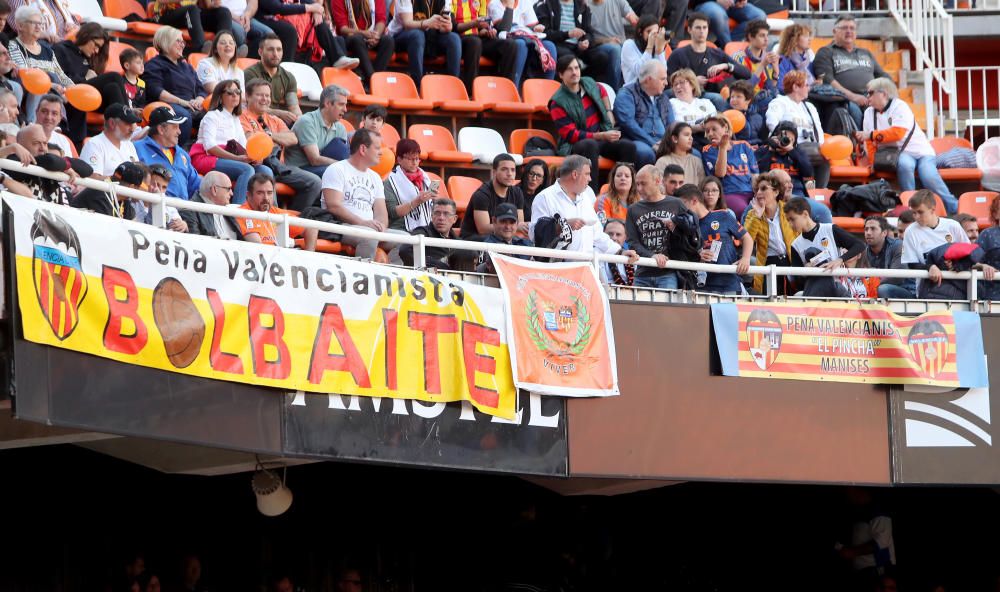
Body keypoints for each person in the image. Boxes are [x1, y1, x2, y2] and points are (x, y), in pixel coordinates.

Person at [859, 78, 957, 215]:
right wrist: (873, 161)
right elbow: (868, 142)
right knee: (905, 166)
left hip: (922, 151)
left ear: (884, 94)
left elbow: (897, 133)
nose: (867, 96)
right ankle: (910, 207)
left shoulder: (900, 106)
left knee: (928, 175)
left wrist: (871, 134)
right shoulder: (868, 113)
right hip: (901, 153)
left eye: (870, 93)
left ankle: (953, 207)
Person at [549, 55, 637, 190]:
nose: (574, 72)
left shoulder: (588, 82)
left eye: (576, 68)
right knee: (589, 145)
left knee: (628, 146)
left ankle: (623, 192)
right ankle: (591, 194)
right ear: (561, 75)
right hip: (574, 145)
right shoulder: (557, 102)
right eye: (569, 69)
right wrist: (601, 135)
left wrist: (608, 110)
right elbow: (571, 135)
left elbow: (601, 90)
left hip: (600, 138)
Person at [530, 154, 640, 261]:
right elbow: (534, 234)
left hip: (584, 269)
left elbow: (598, 235)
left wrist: (620, 252)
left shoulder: (586, 197)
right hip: (555, 270)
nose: (590, 179)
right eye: (587, 174)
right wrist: (562, 225)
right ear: (574, 174)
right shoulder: (544, 197)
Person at [321, 129, 407, 262]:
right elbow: (334, 206)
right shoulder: (336, 169)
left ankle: (390, 276)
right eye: (377, 148)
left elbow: (381, 212)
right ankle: (363, 280)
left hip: (368, 229)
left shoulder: (376, 177)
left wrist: (381, 227)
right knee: (369, 236)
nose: (381, 153)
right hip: (339, 226)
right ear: (363, 149)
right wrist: (363, 223)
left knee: (406, 239)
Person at [240, 78, 322, 211]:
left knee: (314, 182)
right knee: (268, 176)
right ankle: (274, 220)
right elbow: (250, 138)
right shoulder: (241, 117)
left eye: (267, 96)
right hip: (258, 165)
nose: (264, 99)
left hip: (281, 167)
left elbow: (292, 139)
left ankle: (294, 221)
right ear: (248, 97)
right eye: (260, 95)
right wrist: (275, 138)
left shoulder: (274, 119)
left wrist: (269, 136)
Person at [195, 79, 270, 204]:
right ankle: (237, 211)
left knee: (265, 171)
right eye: (230, 92)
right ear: (220, 96)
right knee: (247, 170)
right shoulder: (212, 116)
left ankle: (271, 212)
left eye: (237, 92)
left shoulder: (235, 119)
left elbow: (244, 145)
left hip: (228, 159)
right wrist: (238, 159)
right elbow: (210, 147)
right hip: (206, 157)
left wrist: (255, 157)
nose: (235, 95)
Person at [52, 22, 130, 144]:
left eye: (100, 48)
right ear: (86, 36)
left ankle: (120, 132)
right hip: (69, 92)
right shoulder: (61, 49)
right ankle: (128, 120)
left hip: (88, 97)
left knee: (112, 87)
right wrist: (86, 79)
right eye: (96, 45)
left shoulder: (87, 58)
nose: (96, 50)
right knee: (114, 77)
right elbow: (60, 77)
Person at [814, 15, 889, 128]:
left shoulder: (865, 53)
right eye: (844, 28)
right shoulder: (826, 52)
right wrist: (853, 97)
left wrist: (886, 92)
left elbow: (882, 75)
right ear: (834, 31)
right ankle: (861, 143)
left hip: (870, 96)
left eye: (852, 28)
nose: (849, 31)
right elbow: (828, 80)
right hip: (844, 99)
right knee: (854, 110)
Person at [676, 183, 750, 294]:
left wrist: (745, 258)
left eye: (683, 204)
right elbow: (683, 255)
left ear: (694, 201)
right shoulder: (685, 226)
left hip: (728, 284)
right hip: (701, 287)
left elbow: (747, 238)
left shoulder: (723, 216)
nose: (680, 210)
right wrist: (698, 256)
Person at [900, 189, 976, 297]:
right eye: (914, 212)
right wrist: (930, 267)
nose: (916, 217)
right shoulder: (910, 231)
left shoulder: (953, 226)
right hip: (928, 290)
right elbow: (911, 263)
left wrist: (955, 264)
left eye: (920, 212)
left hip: (957, 287)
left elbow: (969, 253)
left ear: (932, 210)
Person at [666, 13, 749, 111]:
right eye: (698, 28)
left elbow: (747, 74)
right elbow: (667, 82)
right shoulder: (678, 54)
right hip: (684, 95)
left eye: (704, 28)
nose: (701, 31)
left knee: (720, 99)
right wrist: (691, 83)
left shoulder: (717, 53)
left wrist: (726, 66)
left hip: (708, 96)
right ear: (689, 30)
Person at [784, 196, 865, 297]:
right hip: (814, 289)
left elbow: (860, 245)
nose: (790, 224)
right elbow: (798, 281)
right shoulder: (795, 245)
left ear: (805, 214)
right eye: (788, 220)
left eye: (792, 219)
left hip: (837, 285)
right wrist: (806, 269)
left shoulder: (830, 229)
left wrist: (839, 260)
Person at [625, 164, 690, 289]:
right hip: (642, 272)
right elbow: (633, 242)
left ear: (657, 181)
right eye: (637, 184)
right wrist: (652, 256)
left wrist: (675, 228)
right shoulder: (633, 210)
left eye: (643, 183)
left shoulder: (676, 204)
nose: (639, 188)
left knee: (666, 309)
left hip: (668, 272)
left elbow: (690, 233)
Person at [765, 70, 829, 188]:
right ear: (795, 87)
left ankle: (818, 191)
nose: (808, 88)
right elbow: (772, 122)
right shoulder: (780, 102)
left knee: (825, 156)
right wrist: (785, 142)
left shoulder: (810, 107)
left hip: (811, 147)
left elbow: (818, 131)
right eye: (806, 85)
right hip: (791, 146)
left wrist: (822, 148)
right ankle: (808, 186)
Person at [8, 5, 72, 122]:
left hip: (50, 88)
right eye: (34, 23)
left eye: (41, 24)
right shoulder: (14, 45)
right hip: (29, 87)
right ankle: (33, 122)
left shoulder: (47, 49)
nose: (39, 27)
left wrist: (72, 89)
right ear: (20, 25)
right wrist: (52, 86)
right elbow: (25, 74)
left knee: (53, 76)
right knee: (39, 81)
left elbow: (61, 75)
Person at [144, 26, 207, 143]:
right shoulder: (154, 65)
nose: (182, 45)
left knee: (212, 117)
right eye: (178, 41)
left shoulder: (186, 66)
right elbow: (156, 90)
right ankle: (179, 151)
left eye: (183, 42)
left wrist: (199, 99)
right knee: (183, 116)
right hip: (167, 105)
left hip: (190, 106)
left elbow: (200, 88)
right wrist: (182, 102)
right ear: (165, 42)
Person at [535, 0, 612, 86]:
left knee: (602, 57)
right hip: (558, 44)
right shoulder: (547, 4)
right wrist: (567, 34)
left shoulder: (582, 5)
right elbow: (545, 33)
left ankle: (586, 84)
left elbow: (589, 32)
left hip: (579, 46)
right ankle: (572, 87)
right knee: (570, 59)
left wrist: (586, 41)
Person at [744, 172, 797, 294]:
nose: (758, 193)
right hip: (768, 264)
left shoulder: (789, 209)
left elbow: (800, 236)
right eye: (757, 190)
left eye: (763, 189)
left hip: (791, 261)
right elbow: (747, 239)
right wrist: (757, 216)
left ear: (776, 192)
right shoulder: (752, 214)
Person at [613, 60, 673, 167]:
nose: (666, 83)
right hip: (637, 139)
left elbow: (671, 125)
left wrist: (668, 142)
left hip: (662, 141)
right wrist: (652, 143)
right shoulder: (626, 94)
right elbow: (629, 125)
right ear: (649, 79)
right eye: (662, 79)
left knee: (694, 154)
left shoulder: (663, 97)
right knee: (645, 153)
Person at [388, 0, 462, 86]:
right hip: (401, 36)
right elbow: (407, 24)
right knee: (417, 35)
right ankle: (418, 85)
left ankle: (453, 86)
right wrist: (427, 23)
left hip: (430, 38)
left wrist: (447, 27)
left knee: (454, 38)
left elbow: (443, 27)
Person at [135, 106, 201, 200]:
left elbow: (196, 185)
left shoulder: (182, 154)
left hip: (184, 210)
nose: (179, 132)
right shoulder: (137, 149)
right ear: (161, 129)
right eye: (175, 127)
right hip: (156, 207)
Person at [449, 0, 521, 87]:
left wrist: (487, 31)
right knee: (474, 42)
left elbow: (482, 26)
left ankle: (505, 89)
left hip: (478, 37)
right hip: (458, 38)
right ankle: (470, 91)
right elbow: (452, 27)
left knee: (510, 45)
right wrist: (473, 24)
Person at [8, 123, 86, 203]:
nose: (43, 148)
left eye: (45, 143)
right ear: (21, 146)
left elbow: (86, 169)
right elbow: (51, 161)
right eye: (36, 143)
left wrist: (64, 164)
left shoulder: (50, 165)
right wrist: (65, 166)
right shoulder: (12, 161)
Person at [236, 172, 317, 249]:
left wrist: (310, 256)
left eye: (269, 193)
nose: (266, 198)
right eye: (260, 193)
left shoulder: (275, 212)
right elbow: (257, 246)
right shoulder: (243, 213)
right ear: (249, 195)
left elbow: (311, 228)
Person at [488, 0, 557, 86]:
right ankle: (514, 87)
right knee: (520, 44)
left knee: (549, 46)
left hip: (527, 36)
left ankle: (547, 89)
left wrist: (536, 28)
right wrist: (510, 6)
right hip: (506, 39)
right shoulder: (494, 4)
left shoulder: (524, 2)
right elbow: (504, 28)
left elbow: (531, 26)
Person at [286, 84, 350, 178]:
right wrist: (342, 166)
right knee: (336, 174)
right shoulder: (307, 122)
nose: (345, 109)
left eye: (345, 105)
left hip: (323, 167)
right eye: (341, 104)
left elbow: (343, 157)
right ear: (327, 103)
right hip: (299, 169)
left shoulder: (340, 128)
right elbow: (314, 160)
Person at [461, 153, 527, 238]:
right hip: (476, 240)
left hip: (503, 237)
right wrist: (515, 227)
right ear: (494, 172)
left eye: (513, 170)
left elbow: (519, 223)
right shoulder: (482, 195)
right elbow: (483, 229)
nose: (509, 174)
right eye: (504, 169)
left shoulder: (517, 192)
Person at [701, 113, 758, 213]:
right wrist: (722, 148)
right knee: (746, 212)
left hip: (750, 191)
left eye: (714, 129)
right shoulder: (707, 151)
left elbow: (755, 174)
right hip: (729, 193)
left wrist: (759, 194)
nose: (710, 134)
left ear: (725, 128)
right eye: (707, 131)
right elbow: (720, 173)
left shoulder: (743, 145)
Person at [330, 0, 395, 85]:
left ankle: (371, 82)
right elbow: (343, 28)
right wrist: (363, 33)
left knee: (388, 41)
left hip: (371, 34)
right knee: (357, 39)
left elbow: (381, 20)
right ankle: (373, 81)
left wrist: (376, 35)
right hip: (350, 37)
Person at [244, 34, 303, 125]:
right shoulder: (250, 74)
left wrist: (300, 118)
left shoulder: (288, 77)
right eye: (271, 49)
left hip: (276, 122)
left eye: (279, 49)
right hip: (254, 120)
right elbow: (253, 107)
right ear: (260, 52)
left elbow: (294, 107)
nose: (275, 54)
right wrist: (279, 113)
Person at [384, 138, 437, 232]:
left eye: (417, 159)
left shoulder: (425, 179)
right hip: (401, 229)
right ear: (399, 159)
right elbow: (393, 212)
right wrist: (416, 201)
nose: (414, 162)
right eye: (410, 159)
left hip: (426, 228)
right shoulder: (390, 182)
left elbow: (432, 209)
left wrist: (434, 199)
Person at [80, 103, 141, 180]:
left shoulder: (129, 145)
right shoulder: (94, 144)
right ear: (112, 123)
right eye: (128, 124)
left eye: (132, 124)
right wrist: (122, 182)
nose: (132, 129)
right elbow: (92, 178)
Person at [584, 0, 638, 88]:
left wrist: (634, 20)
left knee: (630, 46)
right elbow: (587, 38)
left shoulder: (617, 1)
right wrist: (607, 40)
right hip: (598, 45)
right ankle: (614, 90)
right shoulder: (586, 6)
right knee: (615, 49)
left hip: (621, 43)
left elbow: (631, 16)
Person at [147, 0, 234, 53]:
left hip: (190, 14)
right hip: (165, 15)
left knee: (224, 12)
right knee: (192, 9)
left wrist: (215, 4)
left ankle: (225, 47)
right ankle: (200, 48)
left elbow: (208, 6)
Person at [755, 121, 814, 197]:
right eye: (783, 138)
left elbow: (808, 173)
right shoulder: (764, 150)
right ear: (775, 137)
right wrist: (770, 151)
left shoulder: (798, 152)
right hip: (773, 192)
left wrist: (792, 151)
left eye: (790, 140)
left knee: (822, 209)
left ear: (795, 142)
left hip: (795, 191)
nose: (786, 142)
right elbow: (760, 174)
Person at [72, 161, 145, 221]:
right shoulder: (100, 193)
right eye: (138, 187)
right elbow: (107, 230)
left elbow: (134, 224)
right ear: (132, 187)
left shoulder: (122, 199)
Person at [863, 215, 914, 299]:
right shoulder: (863, 250)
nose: (868, 232)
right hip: (874, 291)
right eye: (866, 229)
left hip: (905, 290)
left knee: (883, 289)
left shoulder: (898, 246)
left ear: (884, 233)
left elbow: (897, 277)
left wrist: (872, 284)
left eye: (873, 229)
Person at [399, 198, 460, 268]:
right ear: (432, 216)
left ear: (454, 219)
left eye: (446, 214)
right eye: (437, 213)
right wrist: (439, 266)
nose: (441, 218)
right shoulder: (422, 232)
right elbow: (405, 250)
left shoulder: (458, 241)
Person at [182, 170, 243, 239]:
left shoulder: (229, 211)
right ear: (214, 189)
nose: (232, 193)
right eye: (228, 189)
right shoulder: (189, 210)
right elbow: (196, 243)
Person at [478, 202, 535, 272]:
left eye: (512, 222)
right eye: (503, 222)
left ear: (517, 223)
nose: (508, 227)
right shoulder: (485, 245)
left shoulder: (526, 243)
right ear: (494, 221)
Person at [731, 19, 778, 102]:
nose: (766, 39)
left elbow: (771, 91)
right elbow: (743, 91)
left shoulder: (768, 58)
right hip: (746, 102)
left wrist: (776, 72)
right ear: (750, 37)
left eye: (767, 35)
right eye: (762, 36)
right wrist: (762, 65)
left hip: (764, 101)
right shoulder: (738, 58)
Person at [667, 69, 717, 146]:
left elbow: (716, 121)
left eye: (681, 82)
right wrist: (695, 127)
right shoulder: (671, 103)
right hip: (688, 141)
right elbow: (675, 128)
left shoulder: (706, 102)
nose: (678, 86)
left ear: (692, 84)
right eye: (675, 84)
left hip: (710, 137)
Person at [691, 0, 765, 48]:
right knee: (718, 15)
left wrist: (742, 1)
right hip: (707, 3)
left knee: (759, 16)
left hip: (733, 4)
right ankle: (730, 53)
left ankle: (725, 46)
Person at [621, 15, 668, 87]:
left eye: (656, 32)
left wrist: (659, 51)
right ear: (640, 31)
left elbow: (663, 75)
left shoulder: (657, 45)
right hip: (634, 91)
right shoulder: (629, 44)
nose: (652, 36)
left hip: (654, 91)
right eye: (649, 32)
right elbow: (640, 72)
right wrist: (650, 46)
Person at [974, 195, 1000, 300]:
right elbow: (970, 262)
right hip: (993, 296)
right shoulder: (987, 234)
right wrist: (983, 266)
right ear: (995, 214)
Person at [776, 22, 815, 92]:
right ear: (795, 39)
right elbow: (780, 87)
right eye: (806, 36)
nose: (809, 39)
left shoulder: (809, 61)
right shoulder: (781, 61)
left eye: (809, 36)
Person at [726, 81, 764, 148]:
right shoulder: (726, 116)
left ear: (748, 100)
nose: (734, 99)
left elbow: (763, 138)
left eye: (738, 97)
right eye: (732, 97)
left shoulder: (758, 117)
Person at [603, 218, 634, 285]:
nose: (614, 238)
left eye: (618, 234)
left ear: (625, 237)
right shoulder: (595, 254)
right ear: (602, 235)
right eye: (610, 234)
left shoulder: (632, 256)